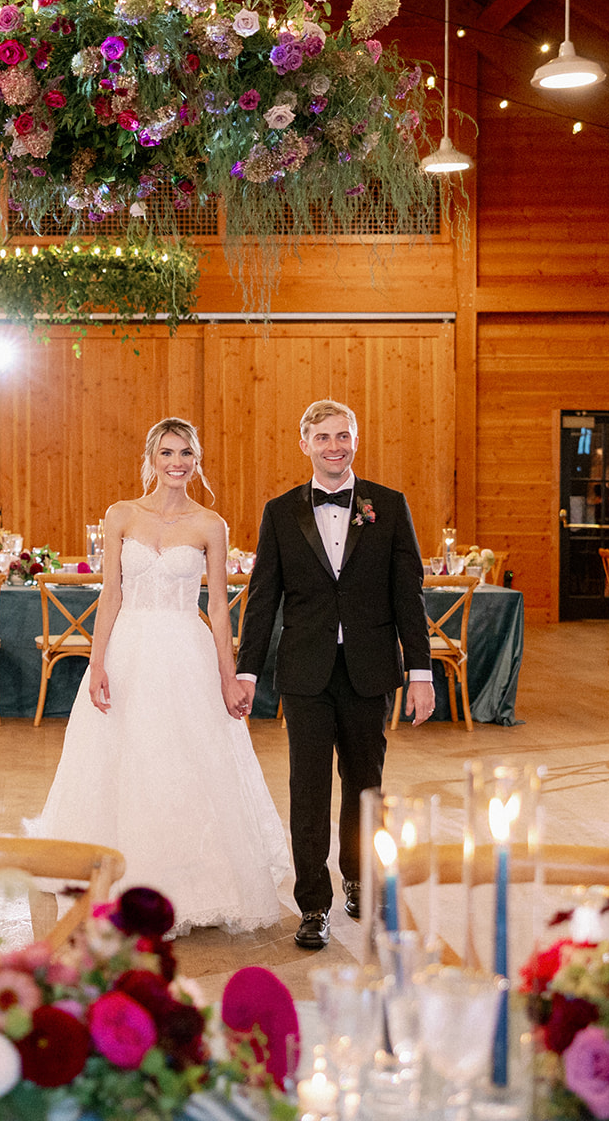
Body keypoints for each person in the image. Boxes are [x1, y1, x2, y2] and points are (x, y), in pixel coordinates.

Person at [33, 418, 291, 935]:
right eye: (168, 453)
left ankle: (191, 885)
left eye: (186, 454)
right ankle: (120, 875)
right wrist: (98, 661)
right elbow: (111, 594)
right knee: (124, 761)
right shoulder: (120, 515)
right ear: (151, 459)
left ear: (197, 462)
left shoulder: (208, 525)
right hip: (128, 649)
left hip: (185, 653)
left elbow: (218, 608)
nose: (177, 463)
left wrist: (228, 677)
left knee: (186, 764)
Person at [232, 400, 433, 951]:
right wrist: (246, 670)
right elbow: (263, 599)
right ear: (305, 444)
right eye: (323, 437)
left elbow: (407, 595)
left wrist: (422, 672)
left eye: (343, 436)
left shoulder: (388, 506)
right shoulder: (279, 512)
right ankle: (313, 904)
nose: (334, 446)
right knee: (308, 788)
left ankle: (359, 877)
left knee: (366, 786)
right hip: (305, 671)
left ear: (355, 440)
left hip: (370, 670)